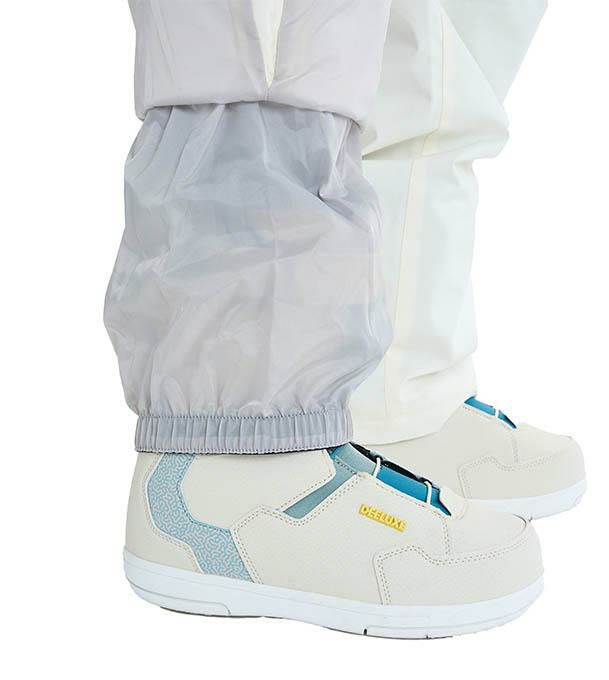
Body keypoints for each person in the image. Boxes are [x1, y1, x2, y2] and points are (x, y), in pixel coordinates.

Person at [106, 0, 580, 638]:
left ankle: (392, 402)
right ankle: (234, 471)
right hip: (231, 431)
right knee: (266, 49)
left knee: (376, 53)